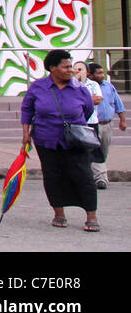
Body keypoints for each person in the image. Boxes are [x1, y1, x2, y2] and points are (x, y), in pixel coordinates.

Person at [21, 49, 100, 232]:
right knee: (52, 176)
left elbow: (87, 111)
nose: (70, 70)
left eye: (71, 67)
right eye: (66, 67)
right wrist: (25, 133)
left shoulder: (80, 89)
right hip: (46, 139)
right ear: (52, 68)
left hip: (76, 140)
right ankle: (59, 213)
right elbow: (27, 109)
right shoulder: (38, 87)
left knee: (84, 176)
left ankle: (91, 215)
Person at [88, 62, 126, 190]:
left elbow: (117, 103)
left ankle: (95, 174)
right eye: (99, 73)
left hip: (107, 124)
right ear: (90, 75)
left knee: (103, 152)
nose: (102, 75)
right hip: (92, 125)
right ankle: (101, 178)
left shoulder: (109, 87)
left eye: (102, 72)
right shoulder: (86, 87)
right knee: (94, 151)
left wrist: (122, 120)